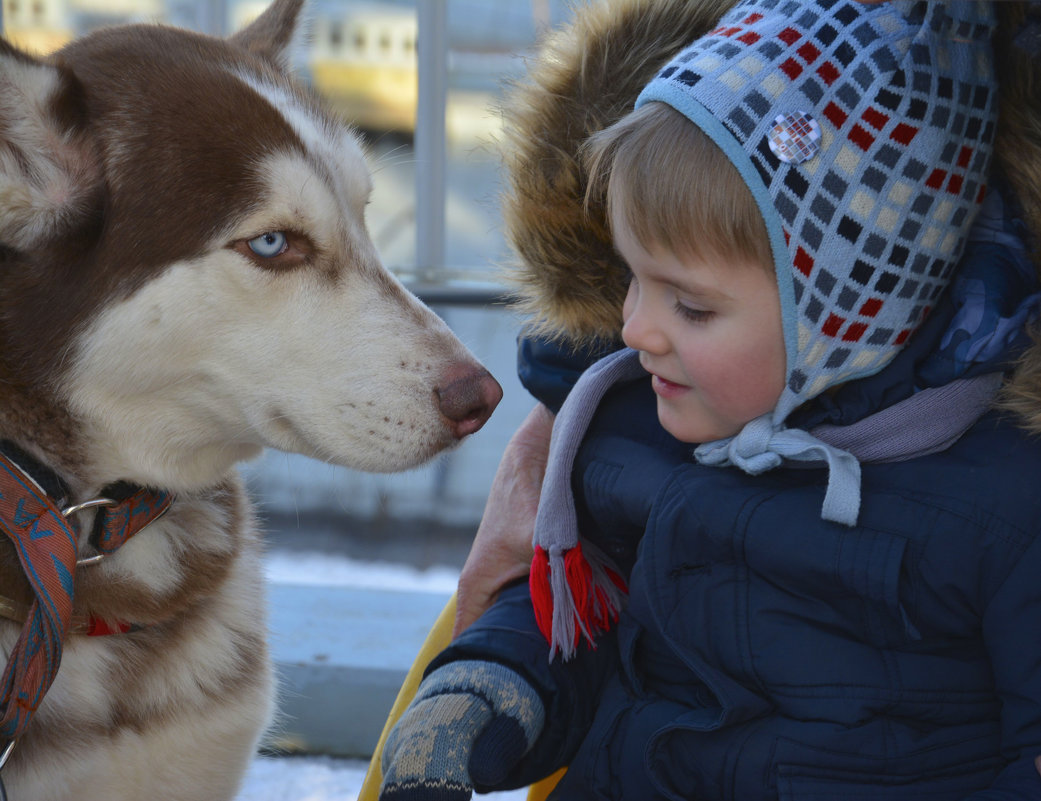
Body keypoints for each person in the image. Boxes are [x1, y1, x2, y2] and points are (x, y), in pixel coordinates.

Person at [380, 2, 1041, 799]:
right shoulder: (639, 430)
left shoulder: (1000, 502)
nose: (633, 328)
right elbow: (585, 615)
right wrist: (491, 684)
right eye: (631, 278)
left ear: (845, 314)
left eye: (689, 306)